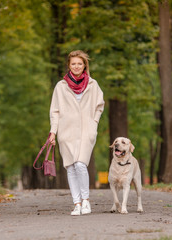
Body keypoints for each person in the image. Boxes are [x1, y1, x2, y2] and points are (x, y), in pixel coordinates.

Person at [49, 50, 105, 216]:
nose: (76, 66)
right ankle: (77, 203)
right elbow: (55, 111)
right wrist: (53, 132)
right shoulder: (61, 86)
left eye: (79, 63)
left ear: (84, 65)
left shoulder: (93, 84)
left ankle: (86, 201)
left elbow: (100, 105)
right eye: (73, 64)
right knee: (71, 167)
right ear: (69, 65)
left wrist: (94, 122)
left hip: (87, 130)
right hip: (66, 131)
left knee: (81, 164)